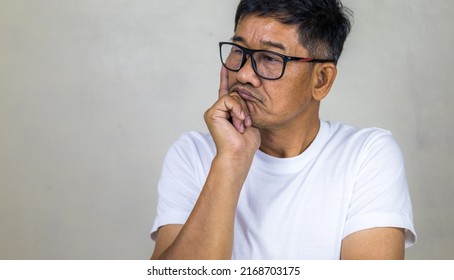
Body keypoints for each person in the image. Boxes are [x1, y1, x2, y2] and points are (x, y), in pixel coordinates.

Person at [150, 0, 416, 260]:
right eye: (238, 51)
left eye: (269, 58)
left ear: (321, 80)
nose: (243, 74)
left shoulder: (365, 155)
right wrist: (231, 160)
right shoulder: (193, 153)